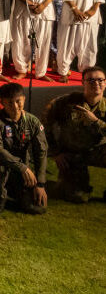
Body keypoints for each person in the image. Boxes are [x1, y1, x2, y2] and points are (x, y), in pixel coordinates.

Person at [0, 83, 47, 215]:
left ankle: (16, 192)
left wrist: (40, 184)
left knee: (38, 207)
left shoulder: (32, 122)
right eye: (10, 103)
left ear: (24, 99)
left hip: (21, 169)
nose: (15, 107)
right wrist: (22, 167)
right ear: (2, 103)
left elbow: (41, 152)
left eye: (18, 101)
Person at [44, 66, 106, 203]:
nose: (96, 83)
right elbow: (44, 127)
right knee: (78, 197)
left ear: (105, 83)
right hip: (72, 155)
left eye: (100, 80)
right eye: (91, 80)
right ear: (82, 83)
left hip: (97, 151)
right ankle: (59, 185)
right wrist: (55, 152)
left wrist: (95, 121)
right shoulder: (65, 102)